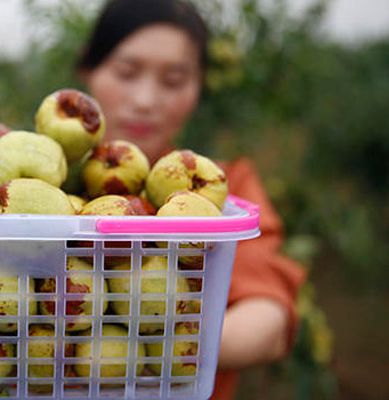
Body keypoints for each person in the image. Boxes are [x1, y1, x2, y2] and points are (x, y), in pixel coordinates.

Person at [77, 0, 306, 398]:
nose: (146, 99)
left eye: (174, 80)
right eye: (127, 72)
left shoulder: (224, 188)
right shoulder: (47, 186)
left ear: (198, 87)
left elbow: (267, 321)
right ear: (89, 72)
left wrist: (136, 355)